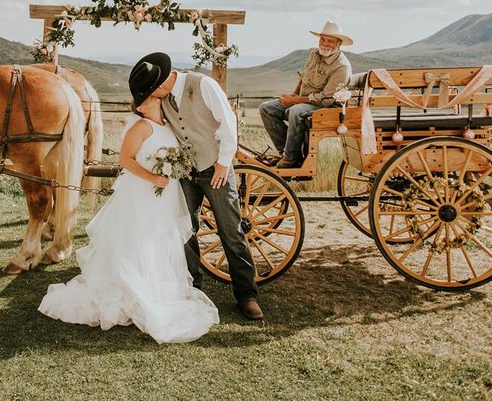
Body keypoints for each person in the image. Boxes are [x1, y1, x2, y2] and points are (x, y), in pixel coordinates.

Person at [38, 63, 219, 344]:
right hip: (143, 193)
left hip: (165, 196)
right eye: (143, 98)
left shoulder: (166, 124)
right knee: (139, 240)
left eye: (147, 96)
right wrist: (153, 177)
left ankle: (160, 287)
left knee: (161, 240)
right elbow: (126, 161)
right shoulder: (141, 126)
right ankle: (134, 290)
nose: (145, 101)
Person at [134, 52, 264, 321]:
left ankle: (246, 295)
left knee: (230, 231)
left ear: (159, 85)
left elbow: (228, 123)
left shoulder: (203, 84)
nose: (153, 96)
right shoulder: (162, 100)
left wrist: (223, 164)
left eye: (152, 91)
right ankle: (192, 287)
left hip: (215, 169)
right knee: (185, 229)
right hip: (185, 173)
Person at [260, 20, 353, 169]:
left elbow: (326, 99)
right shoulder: (315, 54)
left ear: (339, 44)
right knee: (266, 109)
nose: (325, 43)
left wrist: (294, 101)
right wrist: (294, 95)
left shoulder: (341, 67)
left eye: (330, 41)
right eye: (322, 39)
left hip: (327, 107)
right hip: (304, 101)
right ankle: (287, 154)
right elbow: (304, 78)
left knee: (296, 111)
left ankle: (290, 159)